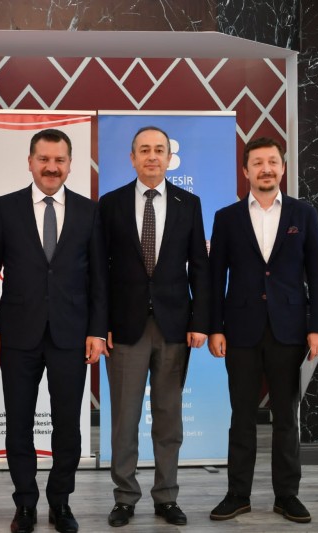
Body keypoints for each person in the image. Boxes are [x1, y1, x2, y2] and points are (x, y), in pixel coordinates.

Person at [0, 128, 108, 533]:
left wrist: (98, 331)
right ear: (30, 162)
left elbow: (100, 278)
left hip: (72, 335)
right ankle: (26, 504)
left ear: (70, 164)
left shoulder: (89, 211)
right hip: (17, 335)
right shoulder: (5, 207)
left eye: (59, 160)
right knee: (18, 423)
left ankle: (60, 502)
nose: (52, 167)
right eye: (44, 159)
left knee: (68, 425)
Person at [207, 137, 318, 524]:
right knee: (241, 416)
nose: (266, 168)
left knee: (286, 418)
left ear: (282, 168)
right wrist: (214, 328)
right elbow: (214, 278)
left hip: (290, 330)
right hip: (239, 330)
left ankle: (287, 495)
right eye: (258, 162)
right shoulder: (227, 217)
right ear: (246, 170)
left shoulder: (303, 214)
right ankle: (237, 494)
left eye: (272, 162)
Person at [99, 126, 210, 528]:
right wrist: (101, 324)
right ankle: (125, 498)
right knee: (124, 421)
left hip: (174, 327)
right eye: (144, 150)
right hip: (124, 328)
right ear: (132, 158)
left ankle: (166, 497)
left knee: (169, 419)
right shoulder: (110, 204)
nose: (151, 156)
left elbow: (200, 267)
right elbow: (99, 271)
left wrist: (200, 321)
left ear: (168, 158)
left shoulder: (189, 204)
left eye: (158, 150)